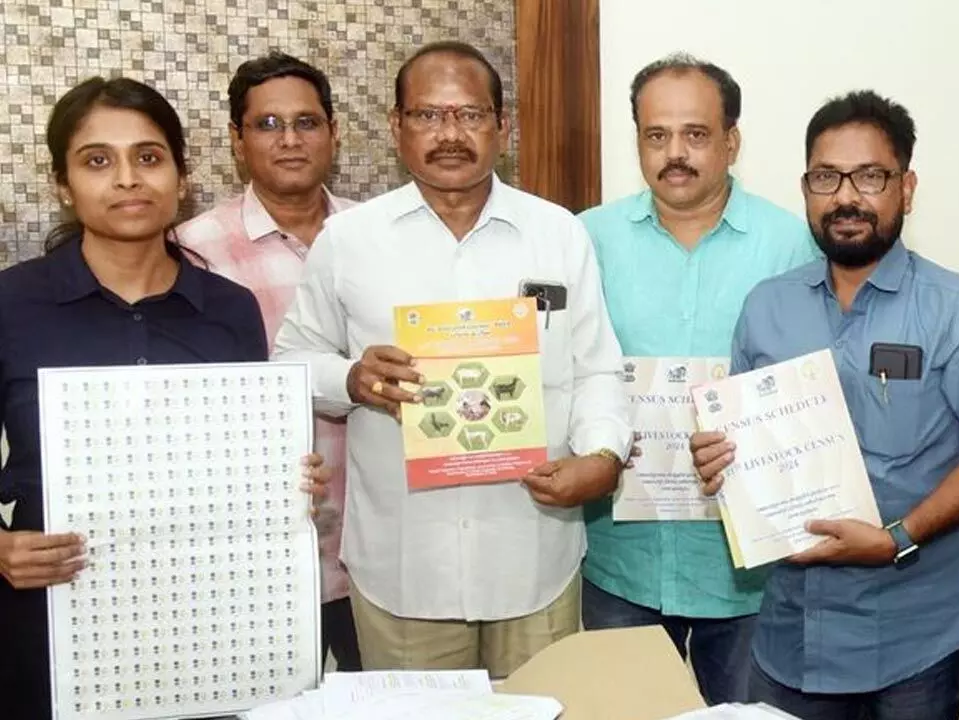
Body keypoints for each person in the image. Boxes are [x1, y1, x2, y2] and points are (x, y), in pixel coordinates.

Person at [272, 40, 633, 678]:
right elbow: (293, 360)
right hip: (404, 565)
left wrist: (602, 455)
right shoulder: (349, 241)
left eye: (469, 115)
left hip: (534, 553)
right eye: (428, 116)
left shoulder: (557, 233)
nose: (449, 134)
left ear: (502, 126)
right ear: (396, 126)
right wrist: (352, 378)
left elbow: (597, 368)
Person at [689, 90, 959, 720]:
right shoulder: (767, 305)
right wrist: (716, 459)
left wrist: (897, 538)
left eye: (870, 176)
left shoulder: (958, 307)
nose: (846, 197)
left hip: (911, 640)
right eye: (826, 177)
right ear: (806, 187)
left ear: (907, 186)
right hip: (789, 635)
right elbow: (740, 447)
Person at [0, 77, 329, 720]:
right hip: (54, 619)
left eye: (148, 158)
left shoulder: (229, 310)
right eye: (98, 160)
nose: (127, 179)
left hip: (208, 625)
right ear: (64, 185)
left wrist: (285, 477)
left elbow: (239, 459)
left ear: (181, 177)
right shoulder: (11, 304)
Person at [577, 52, 819, 704]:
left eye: (695, 134)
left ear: (731, 141)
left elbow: (821, 392)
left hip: (746, 570)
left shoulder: (792, 246)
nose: (674, 153)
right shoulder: (584, 242)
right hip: (619, 561)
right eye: (656, 135)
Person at [176, 51, 361, 672]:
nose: (289, 140)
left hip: (380, 552)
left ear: (333, 132)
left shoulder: (379, 237)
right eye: (267, 124)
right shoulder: (191, 255)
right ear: (237, 139)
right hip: (258, 561)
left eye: (307, 123)